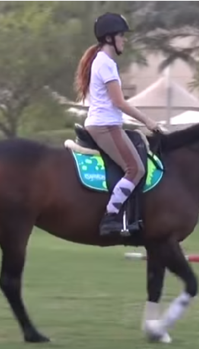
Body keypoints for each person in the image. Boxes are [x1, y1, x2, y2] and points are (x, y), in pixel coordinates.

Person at [74, 12, 163, 236]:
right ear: (109, 38)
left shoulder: (104, 61)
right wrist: (148, 121)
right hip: (105, 126)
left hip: (107, 123)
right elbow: (119, 102)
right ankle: (111, 217)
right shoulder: (106, 64)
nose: (124, 40)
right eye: (121, 35)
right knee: (136, 169)